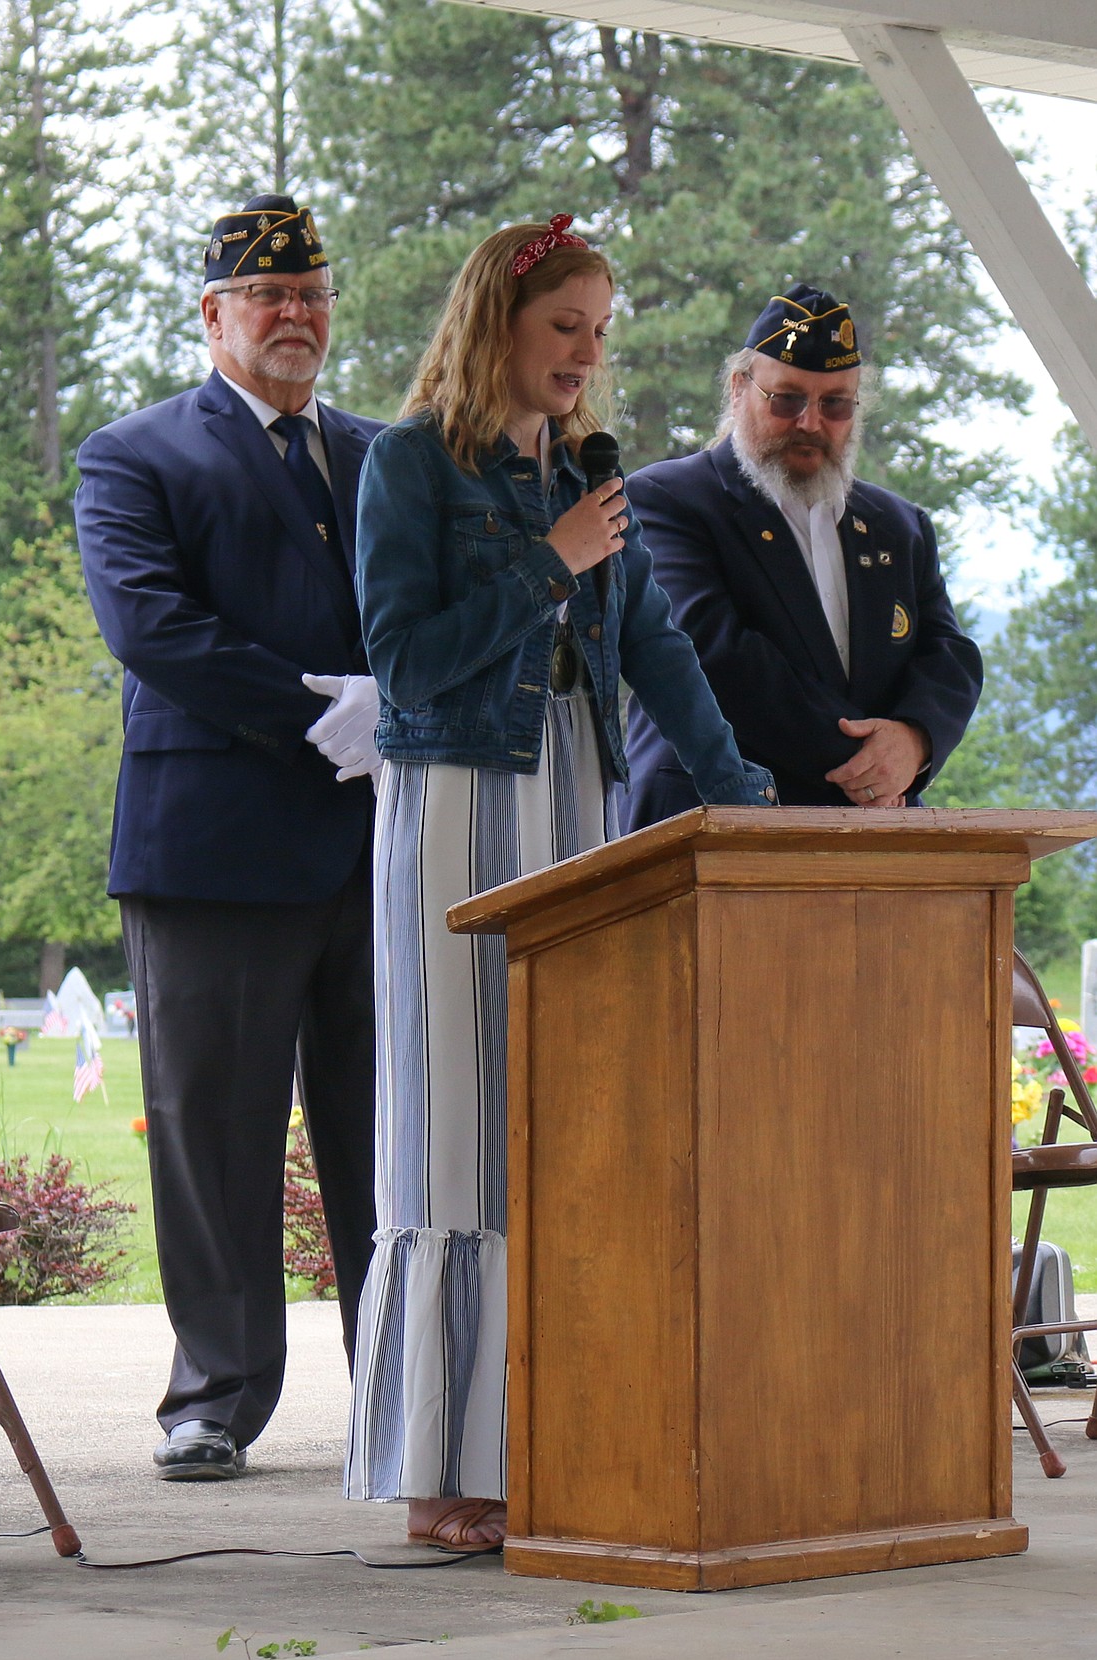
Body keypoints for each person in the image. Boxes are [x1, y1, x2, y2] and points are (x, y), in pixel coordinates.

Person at [343, 215, 775, 1551]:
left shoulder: (586, 472)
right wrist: (551, 562)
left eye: (598, 331)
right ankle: (439, 1478)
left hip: (575, 808)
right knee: (455, 1128)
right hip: (460, 806)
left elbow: (654, 651)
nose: (584, 356)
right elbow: (406, 666)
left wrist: (747, 804)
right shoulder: (409, 466)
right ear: (498, 327)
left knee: (556, 1131)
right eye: (562, 328)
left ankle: (545, 1443)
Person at [75, 193, 384, 1480]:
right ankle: (213, 1395)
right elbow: (154, 630)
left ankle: (409, 1384)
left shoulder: (385, 456)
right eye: (268, 296)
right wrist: (328, 713)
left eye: (311, 292)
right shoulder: (134, 455)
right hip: (210, 851)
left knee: (390, 1133)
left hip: (377, 846)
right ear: (213, 315)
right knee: (215, 1132)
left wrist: (405, 703)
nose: (295, 315)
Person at [620, 283, 983, 824]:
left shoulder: (899, 526)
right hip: (711, 819)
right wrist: (868, 763)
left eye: (835, 403)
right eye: (787, 399)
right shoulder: (669, 499)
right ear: (739, 388)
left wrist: (913, 742)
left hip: (877, 831)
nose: (810, 422)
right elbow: (714, 654)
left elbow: (948, 654)